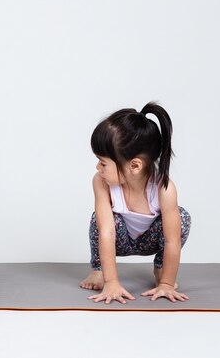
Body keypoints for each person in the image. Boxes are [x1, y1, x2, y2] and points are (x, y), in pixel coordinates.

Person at [79, 102, 191, 304]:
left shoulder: (164, 189)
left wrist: (167, 283)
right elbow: (106, 232)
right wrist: (111, 281)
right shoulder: (101, 182)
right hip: (119, 239)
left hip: (150, 239)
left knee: (182, 217)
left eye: (103, 162)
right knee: (99, 219)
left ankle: (161, 270)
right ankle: (98, 269)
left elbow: (172, 240)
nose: (98, 167)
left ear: (135, 165)